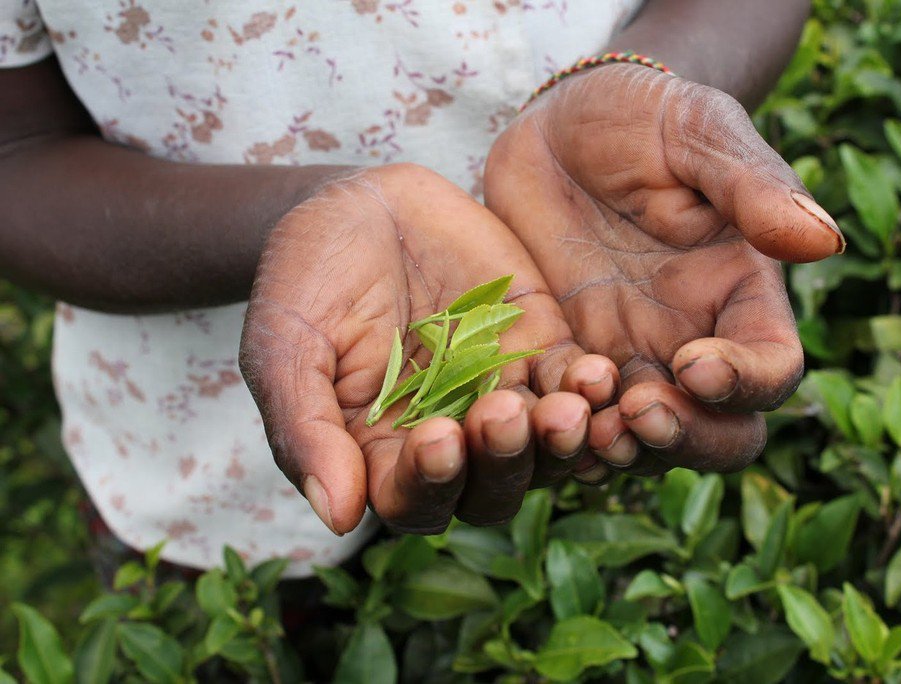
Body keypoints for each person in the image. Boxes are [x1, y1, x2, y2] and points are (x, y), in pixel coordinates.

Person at [0, 0, 842, 577]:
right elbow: (16, 152)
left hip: (606, 336)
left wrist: (654, 88)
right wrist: (307, 216)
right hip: (198, 462)